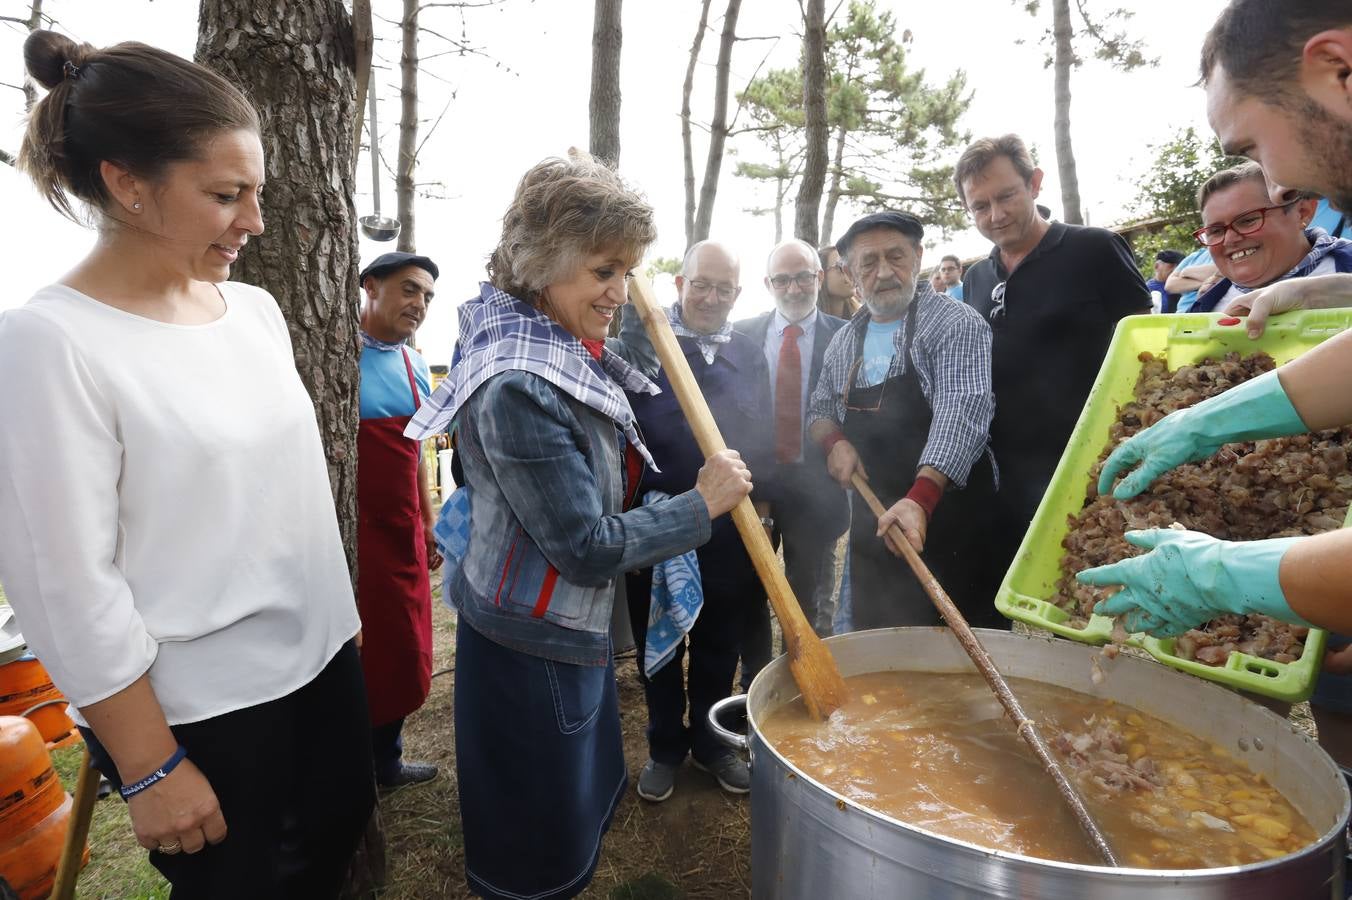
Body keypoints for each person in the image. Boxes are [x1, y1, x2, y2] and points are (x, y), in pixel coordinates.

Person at [0, 32, 373, 896]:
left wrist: (337, 623)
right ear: (127, 184)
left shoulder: (251, 311)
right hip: (205, 712)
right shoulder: (49, 343)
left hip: (321, 667)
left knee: (327, 855)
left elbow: (289, 494)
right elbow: (64, 582)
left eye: (256, 192)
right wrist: (149, 764)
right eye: (225, 194)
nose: (255, 220)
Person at [403, 155, 752, 900]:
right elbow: (585, 548)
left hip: (561, 627)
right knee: (536, 834)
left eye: (626, 271)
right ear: (546, 265)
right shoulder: (521, 384)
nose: (621, 293)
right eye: (603, 271)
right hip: (533, 642)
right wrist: (699, 507)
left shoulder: (552, 342)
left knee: (564, 803)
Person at [957, 134, 1150, 576]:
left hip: (1092, 458)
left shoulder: (1095, 249)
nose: (996, 214)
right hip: (1007, 466)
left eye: (1006, 195)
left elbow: (1144, 346)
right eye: (980, 206)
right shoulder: (976, 278)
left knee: (1095, 580)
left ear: (1035, 183)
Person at [624, 240, 771, 802]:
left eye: (724, 288)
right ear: (680, 284)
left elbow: (758, 440)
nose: (711, 297)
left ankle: (713, 745)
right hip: (658, 521)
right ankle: (664, 746)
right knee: (657, 642)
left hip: (731, 525)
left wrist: (763, 505)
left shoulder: (749, 353)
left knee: (720, 639)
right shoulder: (645, 345)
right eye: (701, 284)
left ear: (738, 293)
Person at [806, 211, 1002, 630]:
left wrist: (921, 498)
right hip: (877, 524)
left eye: (896, 256)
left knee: (961, 652)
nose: (884, 272)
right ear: (850, 274)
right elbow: (820, 409)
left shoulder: (955, 322)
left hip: (950, 517)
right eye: (868, 263)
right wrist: (834, 442)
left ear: (917, 256)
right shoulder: (844, 341)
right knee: (882, 646)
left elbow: (962, 409)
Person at [735, 239, 849, 656]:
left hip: (817, 494)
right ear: (768, 283)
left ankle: (804, 685)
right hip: (752, 490)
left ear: (819, 277)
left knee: (809, 604)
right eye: (782, 279)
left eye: (803, 276)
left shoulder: (845, 338)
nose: (794, 288)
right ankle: (756, 686)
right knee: (750, 594)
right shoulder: (741, 337)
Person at [356, 250, 443, 788]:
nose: (420, 304)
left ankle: (386, 760)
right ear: (370, 285)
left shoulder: (414, 364)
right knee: (362, 652)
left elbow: (415, 454)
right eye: (410, 289)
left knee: (404, 647)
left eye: (428, 297)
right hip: (354, 534)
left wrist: (429, 520)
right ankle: (353, 766)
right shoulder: (331, 355)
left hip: (402, 531)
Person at [1188, 163, 1352, 313]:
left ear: (1303, 212)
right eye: (1215, 231)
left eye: (1248, 220)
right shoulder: (1206, 305)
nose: (1229, 239)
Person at [1164, 246, 1218, 312]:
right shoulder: (1195, 255)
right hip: (1183, 312)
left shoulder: (1225, 253)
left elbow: (1223, 272)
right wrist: (1208, 282)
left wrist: (1187, 271)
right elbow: (1170, 285)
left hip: (1211, 312)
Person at [817, 244, 862, 319]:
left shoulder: (862, 320)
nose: (849, 272)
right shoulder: (808, 324)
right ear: (821, 275)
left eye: (850, 266)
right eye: (840, 266)